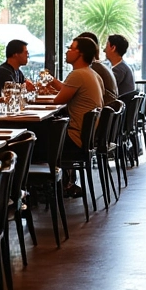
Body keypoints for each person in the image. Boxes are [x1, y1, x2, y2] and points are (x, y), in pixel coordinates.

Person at [53, 37, 105, 197]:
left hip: (75, 139)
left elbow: (58, 101)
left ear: (80, 54)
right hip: (87, 138)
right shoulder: (93, 74)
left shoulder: (77, 74)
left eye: (71, 48)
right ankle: (61, 186)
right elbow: (68, 92)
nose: (67, 51)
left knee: (32, 140)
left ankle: (42, 189)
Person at [77, 32, 118, 106]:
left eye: (73, 48)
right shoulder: (100, 66)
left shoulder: (93, 68)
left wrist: (53, 81)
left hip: (100, 114)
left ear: (82, 51)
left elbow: (73, 92)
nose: (67, 52)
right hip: (107, 113)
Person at [105, 33, 136, 98]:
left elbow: (105, 88)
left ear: (113, 48)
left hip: (121, 106)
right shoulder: (123, 66)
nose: (104, 50)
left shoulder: (119, 69)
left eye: (107, 46)